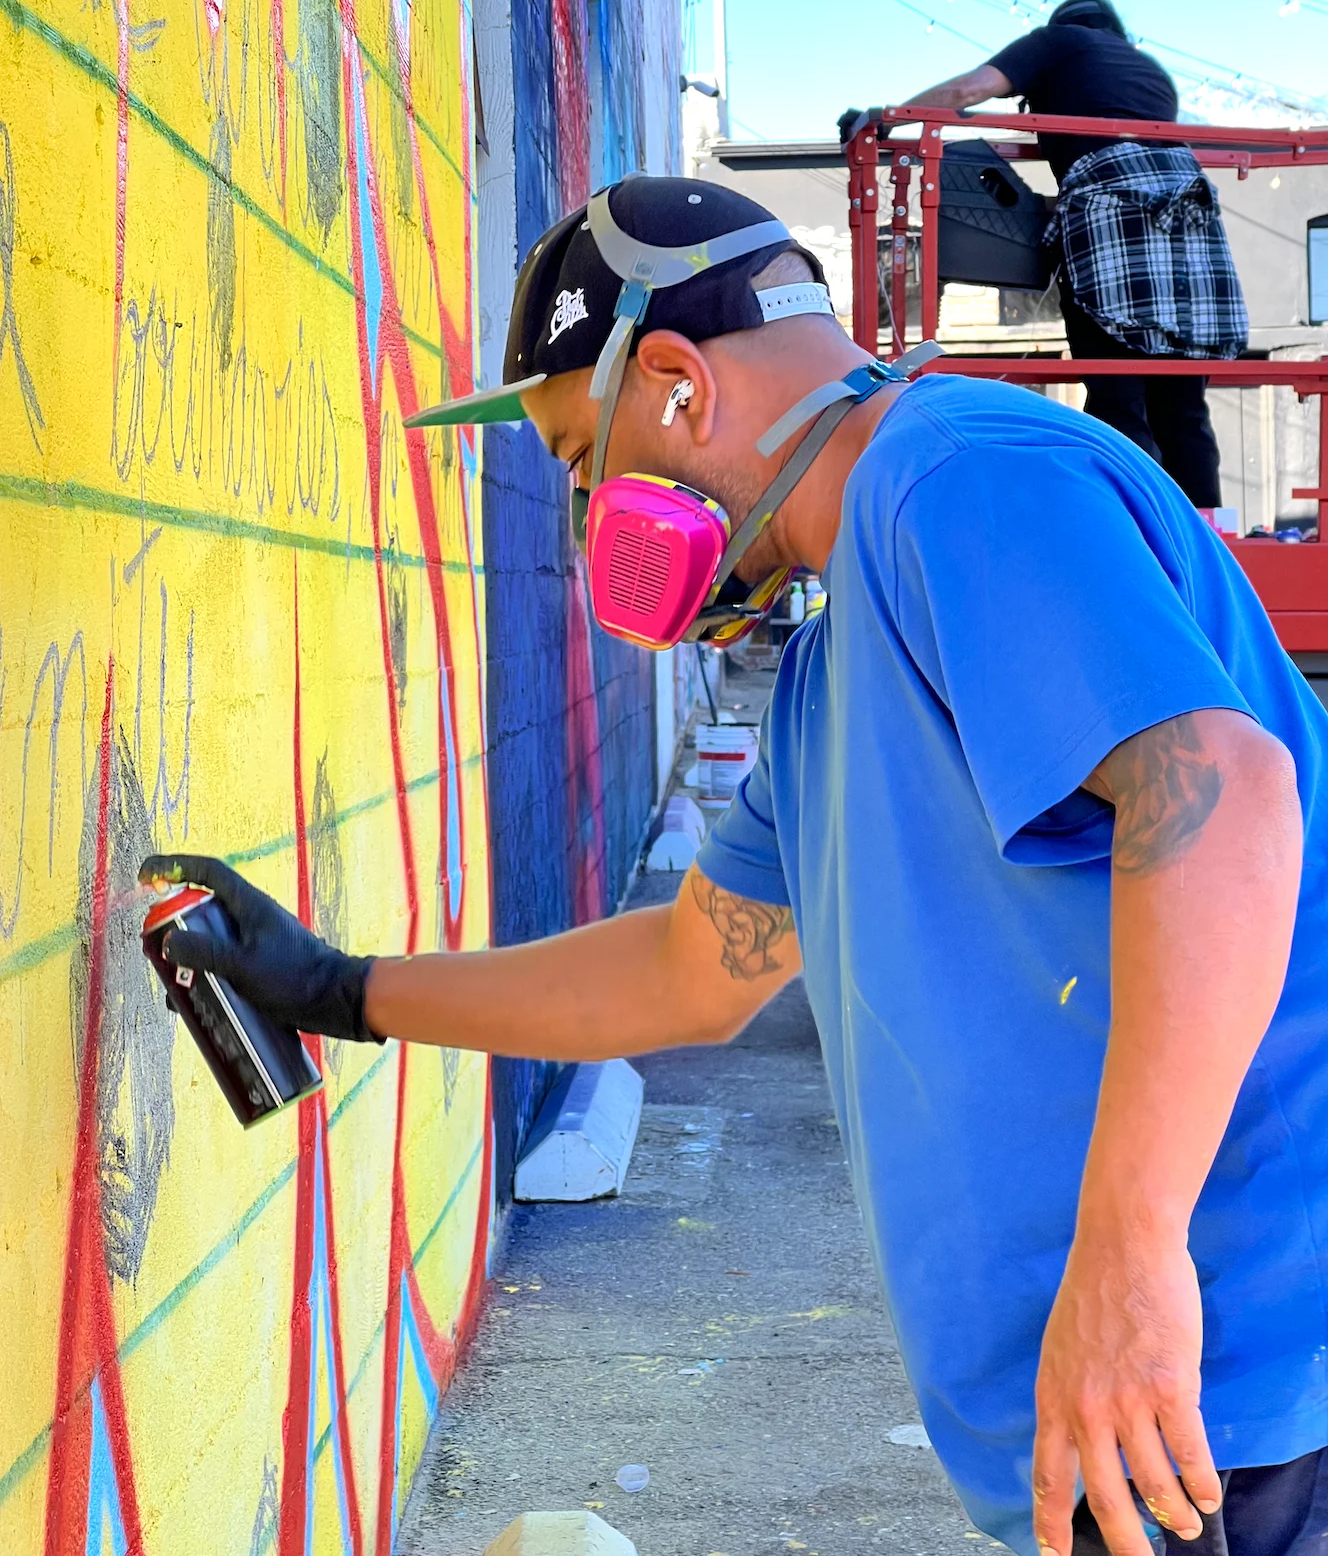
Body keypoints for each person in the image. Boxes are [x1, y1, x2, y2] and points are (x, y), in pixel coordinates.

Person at [141, 176, 1328, 1556]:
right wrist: (340, 986)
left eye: (585, 461)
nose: (588, 516)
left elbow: (1227, 796)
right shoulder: (831, 674)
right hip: (1146, 1431)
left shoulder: (953, 475)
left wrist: (1131, 1258)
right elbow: (693, 967)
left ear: (674, 382)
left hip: (1231, 1405)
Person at [906, 0, 1248, 509]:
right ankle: (1209, 539)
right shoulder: (1151, 72)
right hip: (1189, 218)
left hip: (1112, 210)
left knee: (1119, 395)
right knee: (1184, 408)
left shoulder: (1060, 41)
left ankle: (1133, 534)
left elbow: (968, 89)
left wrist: (889, 120)